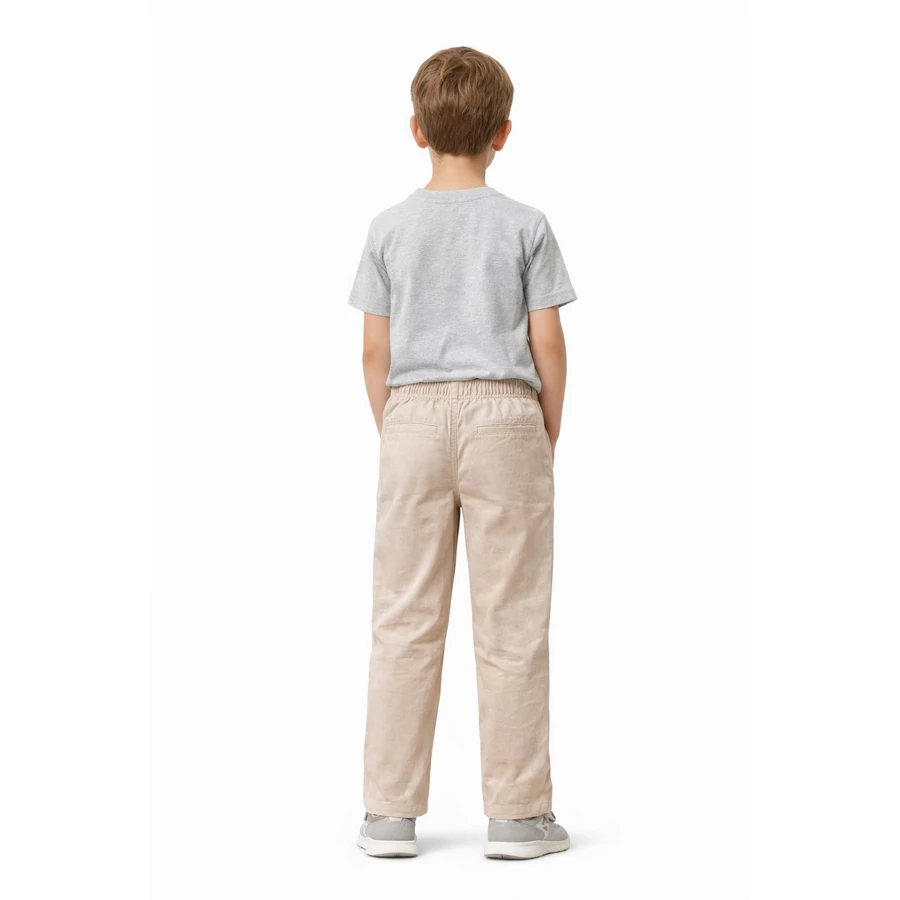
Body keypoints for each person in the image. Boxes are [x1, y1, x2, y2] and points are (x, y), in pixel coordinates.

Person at [349, 46, 576, 860]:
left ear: (416, 130)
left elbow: (373, 354)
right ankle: (518, 816)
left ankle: (388, 815)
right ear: (502, 133)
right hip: (506, 415)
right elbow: (548, 343)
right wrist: (544, 428)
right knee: (512, 619)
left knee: (403, 618)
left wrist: (399, 428)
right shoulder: (526, 226)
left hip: (410, 416)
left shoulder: (387, 229)